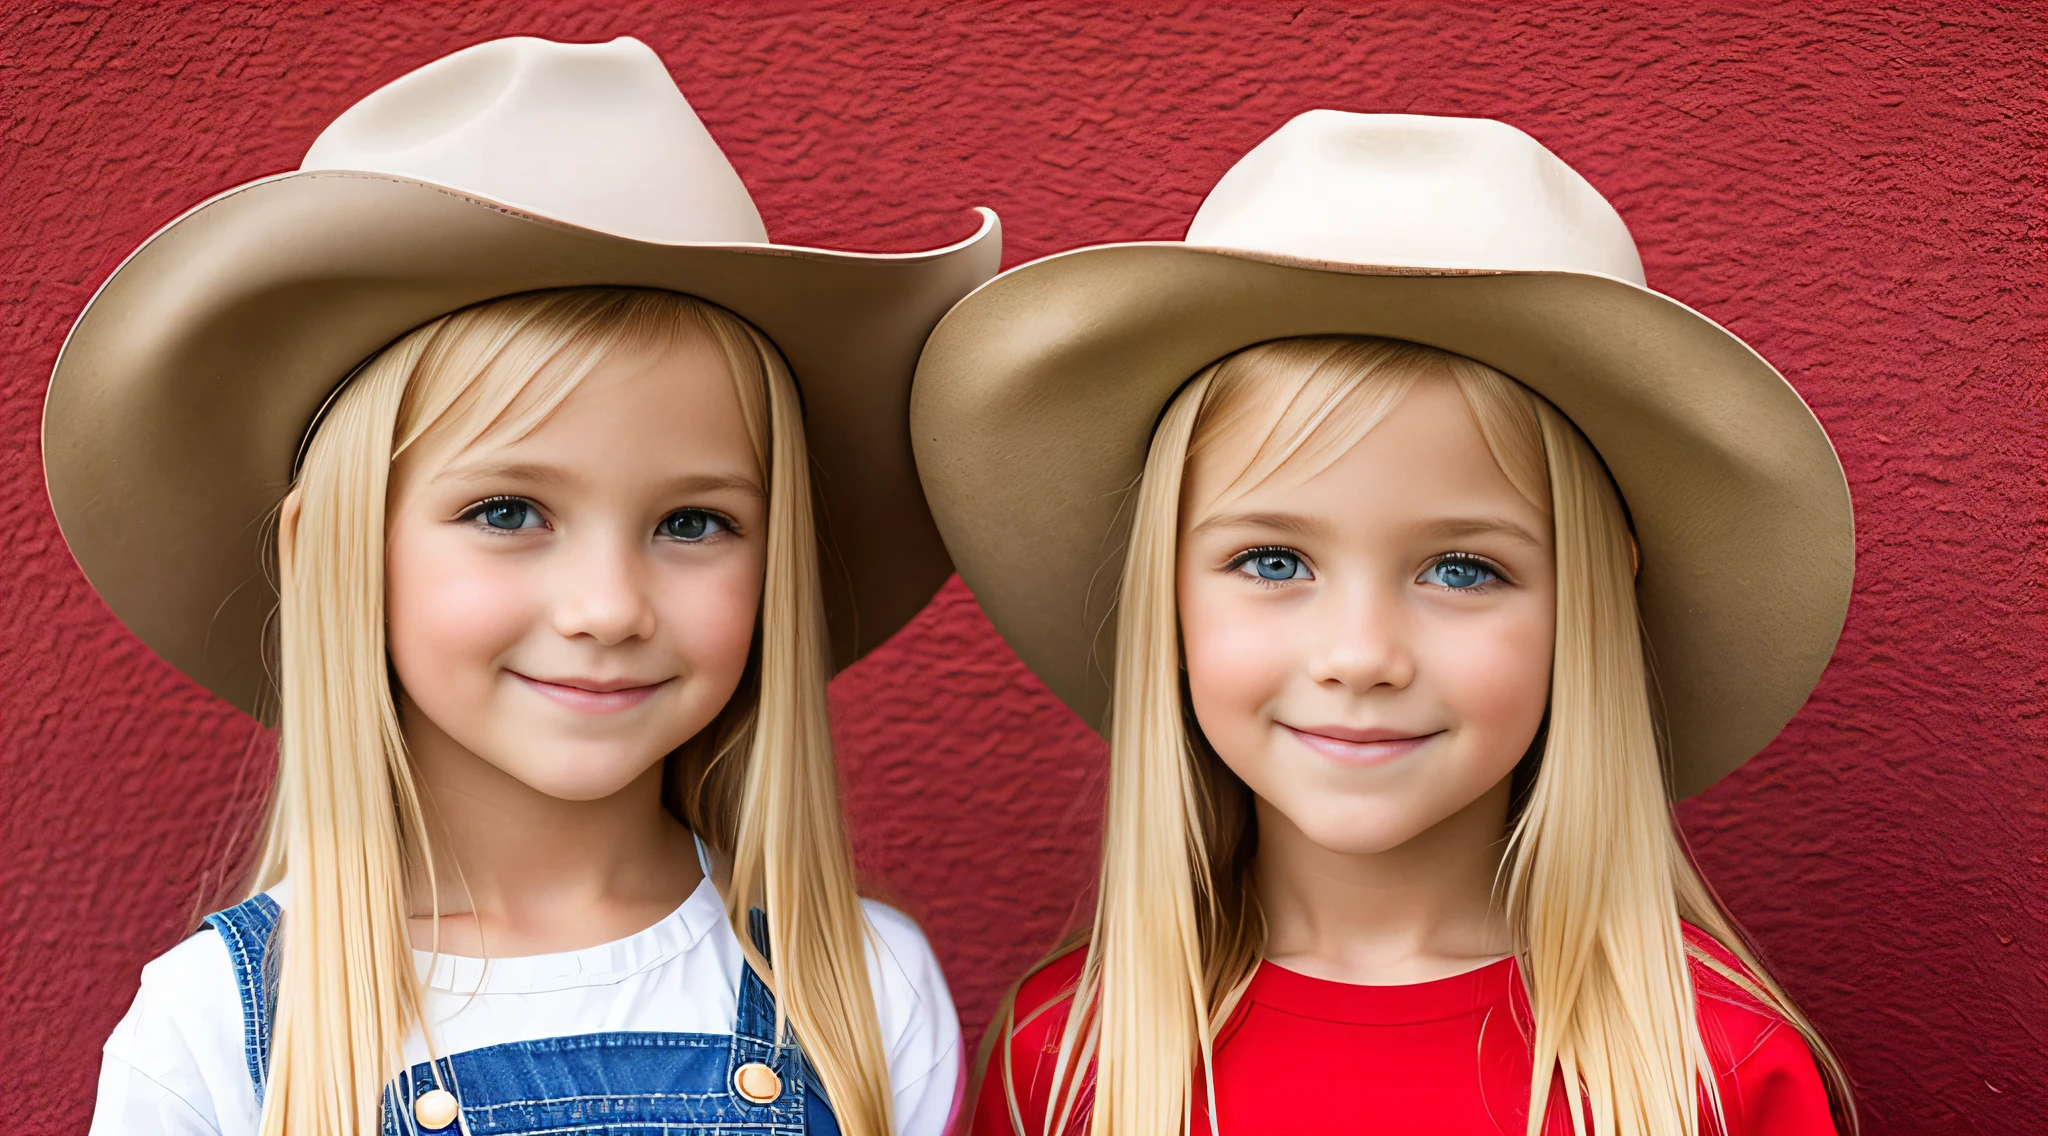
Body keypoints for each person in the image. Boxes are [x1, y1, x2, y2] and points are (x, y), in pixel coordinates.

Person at [54, 35, 999, 1136]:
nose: (606, 606)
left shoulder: (862, 989)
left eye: (692, 521)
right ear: (329, 552)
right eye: (507, 512)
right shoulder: (214, 1026)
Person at [911, 111, 1856, 1135]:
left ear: (1590, 605)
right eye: (1271, 560)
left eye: (1461, 567)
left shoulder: (1717, 1072)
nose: (1359, 654)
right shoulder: (1065, 1059)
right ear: (1164, 592)